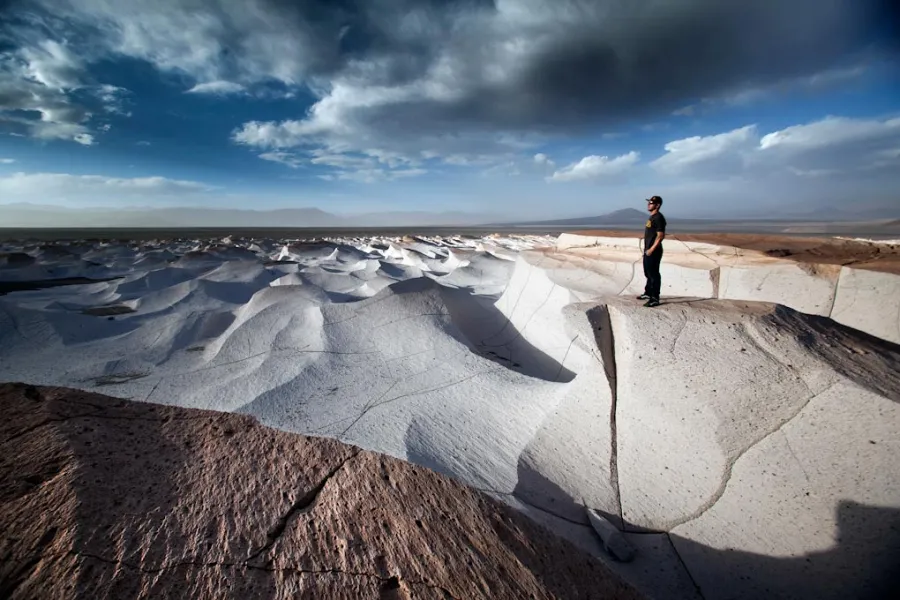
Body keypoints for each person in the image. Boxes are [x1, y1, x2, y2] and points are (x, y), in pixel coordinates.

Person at [638, 195, 666, 307]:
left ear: (657, 205)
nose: (648, 204)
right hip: (648, 250)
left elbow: (660, 236)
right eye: (649, 202)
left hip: (653, 251)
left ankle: (655, 298)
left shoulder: (659, 218)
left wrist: (651, 249)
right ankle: (648, 293)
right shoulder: (652, 217)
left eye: (651, 203)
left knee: (654, 274)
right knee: (647, 272)